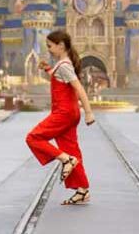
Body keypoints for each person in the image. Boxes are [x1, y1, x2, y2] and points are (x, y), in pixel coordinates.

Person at [25, 30, 96, 205]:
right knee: (72, 149)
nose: (48, 49)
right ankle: (82, 190)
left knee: (33, 137)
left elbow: (79, 88)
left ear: (61, 45)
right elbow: (60, 79)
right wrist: (47, 68)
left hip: (63, 113)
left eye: (50, 46)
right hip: (69, 113)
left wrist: (89, 112)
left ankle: (66, 160)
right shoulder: (62, 64)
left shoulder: (64, 65)